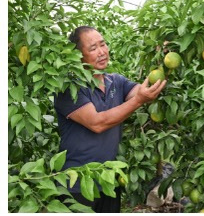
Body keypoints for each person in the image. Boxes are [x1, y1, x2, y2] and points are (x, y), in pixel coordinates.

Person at [54, 26, 167, 212]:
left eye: (103, 44)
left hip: (108, 181)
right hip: (76, 184)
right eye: (92, 48)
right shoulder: (69, 88)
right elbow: (97, 123)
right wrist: (139, 100)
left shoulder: (115, 81)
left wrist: (163, 61)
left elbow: (146, 90)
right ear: (77, 55)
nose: (101, 52)